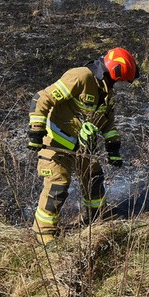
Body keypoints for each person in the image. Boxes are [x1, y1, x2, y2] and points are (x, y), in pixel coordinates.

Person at [27, 47, 139, 245]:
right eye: (121, 80)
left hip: (84, 148)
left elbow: (107, 124)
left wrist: (113, 149)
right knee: (57, 187)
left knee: (94, 180)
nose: (120, 85)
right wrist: (36, 131)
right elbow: (42, 98)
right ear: (115, 72)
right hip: (56, 144)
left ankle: (97, 220)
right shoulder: (81, 77)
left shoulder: (105, 92)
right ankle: (43, 233)